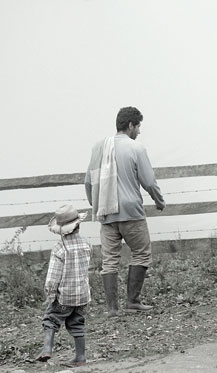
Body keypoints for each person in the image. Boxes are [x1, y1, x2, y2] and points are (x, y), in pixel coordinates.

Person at [85, 106, 165, 317]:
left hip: (106, 211)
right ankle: (133, 301)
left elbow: (88, 182)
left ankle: (112, 309)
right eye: (138, 127)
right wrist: (159, 200)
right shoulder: (136, 148)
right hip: (130, 212)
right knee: (141, 252)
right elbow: (148, 181)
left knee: (109, 259)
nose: (139, 132)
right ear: (130, 125)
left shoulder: (98, 148)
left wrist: (97, 204)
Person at [36, 205, 91, 367]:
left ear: (60, 230)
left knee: (51, 320)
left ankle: (47, 349)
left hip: (64, 297)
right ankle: (80, 357)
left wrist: (50, 295)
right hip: (82, 295)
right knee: (77, 323)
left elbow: (53, 278)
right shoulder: (87, 244)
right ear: (78, 225)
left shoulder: (59, 248)